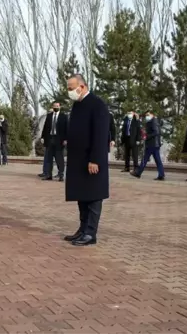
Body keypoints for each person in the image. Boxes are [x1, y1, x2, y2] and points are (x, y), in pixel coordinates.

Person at [63, 74, 109, 246]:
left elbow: (100, 134)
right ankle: (82, 229)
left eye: (71, 88)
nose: (69, 92)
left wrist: (95, 159)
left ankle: (91, 233)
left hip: (92, 160)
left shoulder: (97, 105)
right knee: (81, 195)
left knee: (93, 196)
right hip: (78, 160)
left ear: (82, 86)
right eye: (68, 88)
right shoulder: (77, 105)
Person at [131, 110, 165, 180]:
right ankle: (161, 175)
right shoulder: (152, 121)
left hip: (152, 144)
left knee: (145, 159)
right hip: (154, 144)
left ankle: (138, 173)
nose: (147, 116)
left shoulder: (153, 121)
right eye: (146, 115)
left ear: (152, 115)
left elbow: (156, 132)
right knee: (157, 160)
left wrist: (147, 136)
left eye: (148, 115)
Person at [40, 102, 68, 181]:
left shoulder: (64, 116)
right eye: (55, 106)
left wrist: (66, 139)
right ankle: (48, 175)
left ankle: (61, 175)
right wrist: (43, 137)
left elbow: (67, 128)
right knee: (49, 158)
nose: (56, 107)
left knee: (59, 158)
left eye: (57, 106)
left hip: (59, 140)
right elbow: (45, 127)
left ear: (60, 107)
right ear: (53, 107)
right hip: (50, 138)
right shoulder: (49, 116)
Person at [39, 108, 55, 178]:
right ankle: (45, 172)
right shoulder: (48, 119)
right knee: (46, 157)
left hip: (54, 141)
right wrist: (42, 137)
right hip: (48, 141)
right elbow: (44, 129)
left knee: (51, 158)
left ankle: (50, 173)